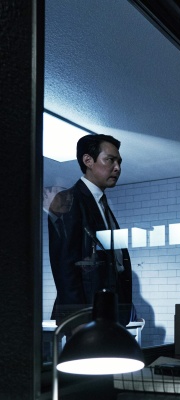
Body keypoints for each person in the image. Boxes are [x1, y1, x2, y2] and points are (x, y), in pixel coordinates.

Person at [49, 134, 136, 327]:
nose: (117, 168)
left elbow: (116, 264)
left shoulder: (103, 206)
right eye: (110, 160)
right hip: (85, 319)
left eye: (119, 162)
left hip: (108, 318)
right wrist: (77, 322)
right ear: (88, 160)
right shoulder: (68, 199)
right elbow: (65, 268)